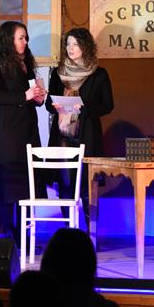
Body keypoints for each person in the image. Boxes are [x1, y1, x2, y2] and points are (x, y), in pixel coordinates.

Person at [0, 21, 46, 240]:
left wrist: (37, 97)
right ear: (8, 39)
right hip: (7, 133)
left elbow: (29, 93)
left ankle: (23, 233)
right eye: (21, 38)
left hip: (26, 130)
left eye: (26, 38)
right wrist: (23, 96)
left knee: (26, 184)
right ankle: (8, 233)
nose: (25, 42)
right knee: (9, 183)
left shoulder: (24, 62)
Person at [45, 28, 113, 218]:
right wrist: (55, 105)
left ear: (85, 46)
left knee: (86, 183)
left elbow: (107, 105)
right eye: (68, 44)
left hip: (87, 134)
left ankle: (91, 229)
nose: (71, 48)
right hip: (62, 135)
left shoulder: (99, 74)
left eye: (75, 44)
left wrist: (83, 108)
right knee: (65, 183)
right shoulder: (57, 73)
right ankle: (68, 227)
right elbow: (49, 104)